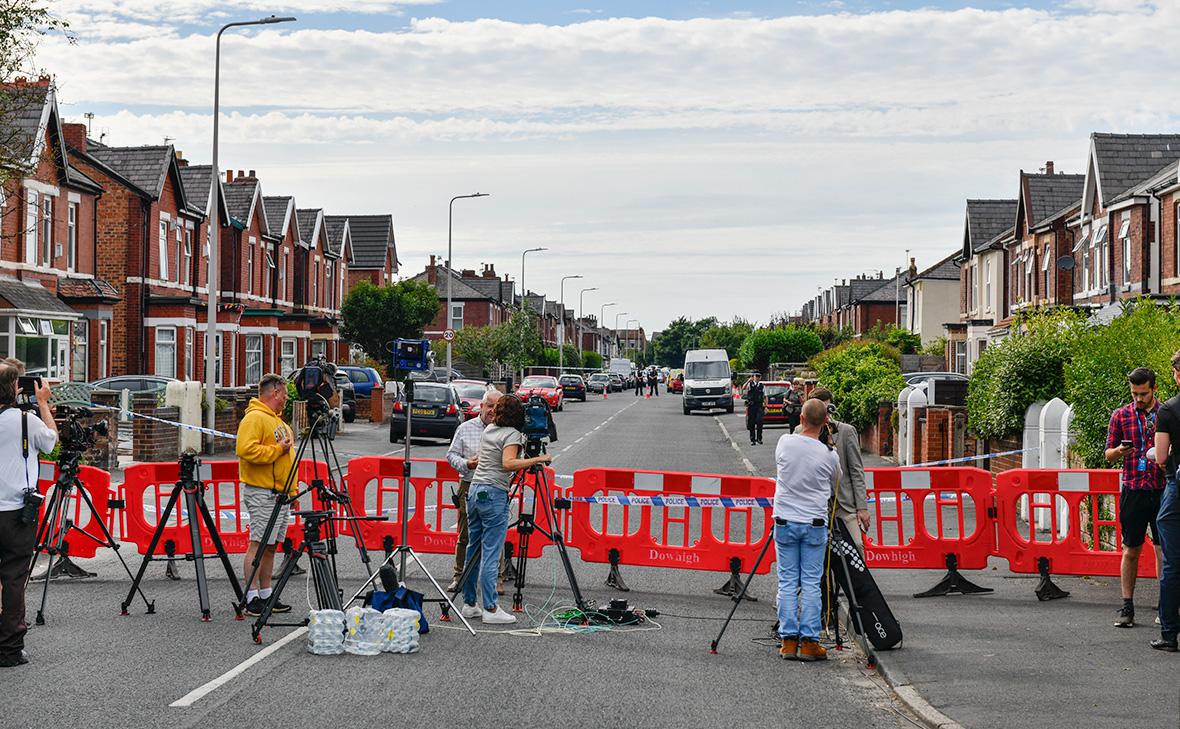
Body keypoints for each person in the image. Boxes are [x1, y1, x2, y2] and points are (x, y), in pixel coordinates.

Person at [459, 395, 552, 624]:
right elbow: (508, 464)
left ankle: (470, 603)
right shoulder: (512, 434)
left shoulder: (489, 428)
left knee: (474, 548)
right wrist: (538, 459)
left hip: (476, 490)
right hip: (493, 492)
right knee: (491, 552)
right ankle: (490, 608)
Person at [0, 360, 58, 668]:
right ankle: (9, 649)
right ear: (15, 388)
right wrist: (43, 405)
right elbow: (51, 442)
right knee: (12, 579)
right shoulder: (25, 421)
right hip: (15, 513)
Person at [773, 398, 840, 662]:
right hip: (814, 523)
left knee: (788, 581)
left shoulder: (784, 443)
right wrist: (829, 444)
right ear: (826, 422)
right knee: (812, 582)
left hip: (785, 520)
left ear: (801, 419)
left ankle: (788, 641)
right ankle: (810, 642)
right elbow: (838, 480)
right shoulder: (829, 454)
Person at [1105, 367, 1165, 629]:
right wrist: (1119, 450)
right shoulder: (1121, 415)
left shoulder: (1168, 413)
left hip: (1163, 488)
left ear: (1153, 389)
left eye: (1143, 394)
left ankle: (1165, 606)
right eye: (1134, 394)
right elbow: (1108, 454)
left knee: (1164, 551)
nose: (1139, 399)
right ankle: (1127, 606)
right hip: (1133, 487)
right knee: (1130, 549)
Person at [236, 373, 296, 617]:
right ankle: (250, 597)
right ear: (275, 392)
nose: (286, 398)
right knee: (258, 544)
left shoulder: (278, 421)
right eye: (284, 394)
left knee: (271, 545)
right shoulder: (255, 418)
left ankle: (266, 594)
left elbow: (287, 459)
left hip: (280, 493)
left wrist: (292, 490)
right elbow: (245, 449)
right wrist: (276, 450)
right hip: (262, 492)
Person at [445, 388, 503, 591]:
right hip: (469, 484)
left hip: (494, 486)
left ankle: (497, 579)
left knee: (495, 535)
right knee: (465, 534)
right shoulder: (465, 428)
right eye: (489, 406)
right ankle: (459, 576)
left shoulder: (505, 430)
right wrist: (467, 463)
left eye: (497, 407)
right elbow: (451, 456)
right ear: (481, 406)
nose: (492, 411)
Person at [805, 388, 870, 555]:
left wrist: (862, 507)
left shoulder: (846, 431)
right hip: (813, 507)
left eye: (827, 409)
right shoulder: (800, 433)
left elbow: (856, 471)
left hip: (844, 505)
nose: (825, 416)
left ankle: (850, 582)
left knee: (856, 546)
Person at [1151, 355, 1180, 652]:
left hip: (1177, 489)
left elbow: (1159, 457)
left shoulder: (1169, 409)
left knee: (1172, 565)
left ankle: (1169, 634)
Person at [742, 372, 765, 445]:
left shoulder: (762, 386)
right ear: (753, 377)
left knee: (759, 421)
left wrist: (766, 406)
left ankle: (759, 438)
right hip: (751, 406)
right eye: (756, 376)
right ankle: (753, 440)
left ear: (760, 378)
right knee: (751, 423)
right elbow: (743, 388)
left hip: (759, 406)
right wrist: (749, 380)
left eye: (759, 376)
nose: (757, 378)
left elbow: (765, 396)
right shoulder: (750, 384)